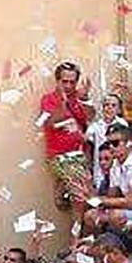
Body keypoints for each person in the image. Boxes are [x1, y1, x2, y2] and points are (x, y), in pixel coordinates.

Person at [40, 61, 95, 211]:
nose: (69, 86)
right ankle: (76, 233)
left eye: (73, 82)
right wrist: (63, 103)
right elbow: (51, 122)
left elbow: (90, 118)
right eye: (65, 82)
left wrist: (85, 99)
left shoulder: (79, 97)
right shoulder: (48, 99)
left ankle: (81, 229)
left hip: (82, 155)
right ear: (57, 81)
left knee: (88, 197)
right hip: (61, 156)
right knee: (81, 195)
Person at [88, 94, 128, 187]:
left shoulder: (122, 124)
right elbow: (87, 143)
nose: (109, 108)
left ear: (118, 109)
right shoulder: (95, 126)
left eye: (113, 105)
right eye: (106, 105)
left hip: (117, 166)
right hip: (100, 166)